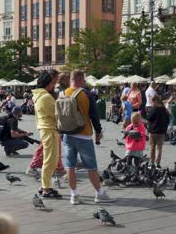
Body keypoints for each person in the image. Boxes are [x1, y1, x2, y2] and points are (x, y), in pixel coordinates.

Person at [62, 70, 114, 205]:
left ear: (71, 79)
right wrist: (98, 131)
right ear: (80, 79)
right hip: (83, 135)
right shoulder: (86, 94)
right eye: (83, 80)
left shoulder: (62, 93)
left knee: (70, 166)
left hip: (67, 135)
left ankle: (74, 195)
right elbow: (94, 115)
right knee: (91, 167)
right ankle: (99, 193)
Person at [26, 70, 65, 177]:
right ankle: (35, 168)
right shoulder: (47, 92)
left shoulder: (51, 91)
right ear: (50, 79)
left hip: (48, 125)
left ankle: (58, 167)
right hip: (47, 125)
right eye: (56, 79)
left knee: (53, 146)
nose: (57, 82)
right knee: (45, 147)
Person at [32, 70, 62, 198]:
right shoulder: (45, 97)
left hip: (46, 129)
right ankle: (46, 189)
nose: (54, 84)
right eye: (53, 82)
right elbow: (57, 114)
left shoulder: (39, 95)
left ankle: (45, 186)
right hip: (49, 129)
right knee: (50, 160)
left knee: (50, 159)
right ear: (48, 83)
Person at [147, 95, 169, 168]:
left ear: (156, 101)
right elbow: (168, 120)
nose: (152, 103)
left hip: (153, 131)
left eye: (152, 102)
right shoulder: (164, 110)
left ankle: (152, 162)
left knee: (152, 147)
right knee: (159, 147)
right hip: (162, 131)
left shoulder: (154, 109)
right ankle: (157, 163)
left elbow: (149, 118)